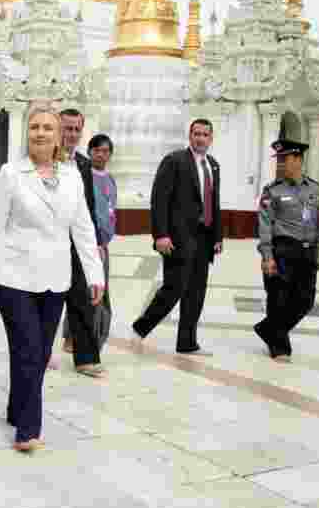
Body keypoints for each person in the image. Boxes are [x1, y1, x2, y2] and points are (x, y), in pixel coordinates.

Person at [0, 103, 103, 452]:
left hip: (55, 279)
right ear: (27, 132)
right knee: (31, 350)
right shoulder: (10, 173)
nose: (40, 133)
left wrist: (95, 274)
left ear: (58, 135)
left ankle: (18, 408)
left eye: (48, 127)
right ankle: (29, 429)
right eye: (34, 127)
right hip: (14, 277)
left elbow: (83, 228)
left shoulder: (72, 175)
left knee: (36, 350)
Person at [131, 119, 222, 355]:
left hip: (204, 239)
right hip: (179, 237)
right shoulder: (174, 161)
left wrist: (217, 235)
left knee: (196, 292)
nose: (200, 138)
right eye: (196, 133)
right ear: (190, 136)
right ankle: (141, 327)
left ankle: (187, 342)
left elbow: (214, 202)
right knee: (174, 288)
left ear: (211, 139)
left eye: (205, 134)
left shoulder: (213, 165)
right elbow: (159, 199)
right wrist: (160, 234)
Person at [254, 139, 319, 362]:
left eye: (285, 159)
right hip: (282, 249)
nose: (281, 164)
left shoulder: (315, 189)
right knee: (278, 299)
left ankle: (269, 329)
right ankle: (280, 347)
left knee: (305, 301)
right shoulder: (272, 191)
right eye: (280, 160)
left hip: (307, 251)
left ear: (298, 160)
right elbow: (265, 225)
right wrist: (267, 257)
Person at [58, 109, 107, 377]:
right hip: (50, 243)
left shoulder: (85, 165)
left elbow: (89, 208)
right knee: (47, 301)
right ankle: (39, 354)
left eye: (77, 129)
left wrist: (95, 242)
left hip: (77, 243)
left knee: (83, 298)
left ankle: (86, 357)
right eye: (67, 128)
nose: (72, 134)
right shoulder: (44, 161)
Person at [87, 133, 117, 349]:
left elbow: (110, 211)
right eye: (97, 150)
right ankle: (78, 336)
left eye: (105, 151)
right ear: (90, 152)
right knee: (86, 291)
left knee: (102, 290)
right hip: (88, 243)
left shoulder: (110, 179)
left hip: (103, 245)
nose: (101, 155)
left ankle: (99, 335)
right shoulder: (85, 176)